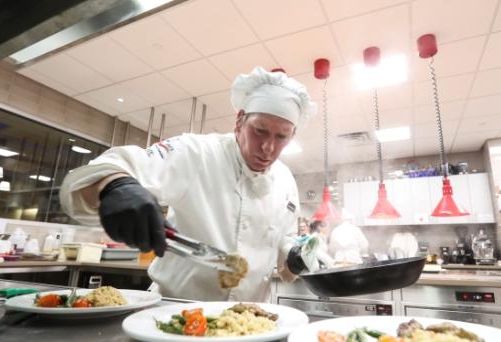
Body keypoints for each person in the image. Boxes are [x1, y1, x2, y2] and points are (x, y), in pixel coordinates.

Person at [59, 67, 316, 302]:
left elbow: (283, 238)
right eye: (259, 130)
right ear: (239, 121)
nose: (268, 147)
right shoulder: (197, 153)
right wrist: (117, 185)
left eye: (281, 136)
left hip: (251, 318)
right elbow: (117, 164)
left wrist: (293, 255)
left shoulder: (285, 179)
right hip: (176, 309)